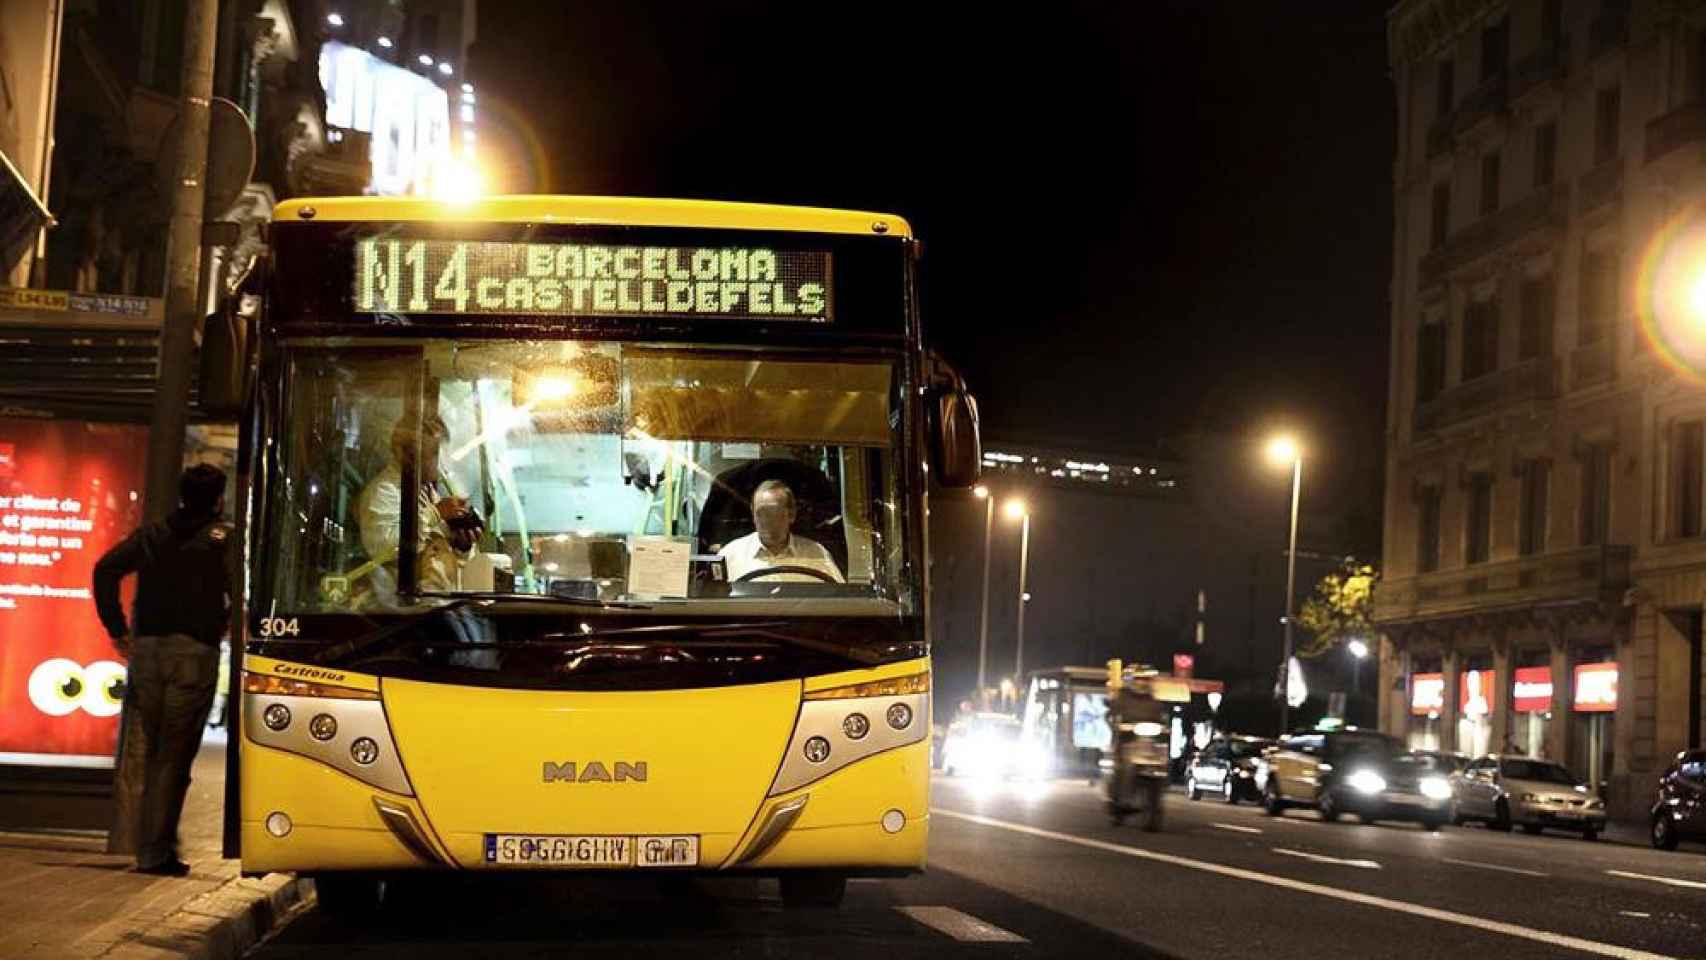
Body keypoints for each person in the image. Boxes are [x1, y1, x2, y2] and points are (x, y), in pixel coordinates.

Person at [92, 464, 233, 876]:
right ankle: (156, 851)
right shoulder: (221, 539)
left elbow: (105, 569)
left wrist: (117, 629)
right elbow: (238, 589)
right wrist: (228, 623)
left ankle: (147, 844)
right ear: (218, 499)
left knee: (148, 748)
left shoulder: (153, 535)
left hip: (148, 652)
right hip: (194, 654)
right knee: (174, 754)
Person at [357, 413, 483, 596]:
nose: (440, 463)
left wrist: (461, 544)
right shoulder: (383, 492)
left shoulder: (427, 493)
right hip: (401, 611)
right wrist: (435, 513)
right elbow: (385, 549)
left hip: (436, 603)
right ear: (405, 453)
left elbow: (438, 555)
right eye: (433, 453)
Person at [716, 479, 843, 582]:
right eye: (760, 513)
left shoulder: (817, 554)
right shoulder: (730, 555)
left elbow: (838, 599)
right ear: (753, 515)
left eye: (772, 512)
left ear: (791, 514)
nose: (765, 520)